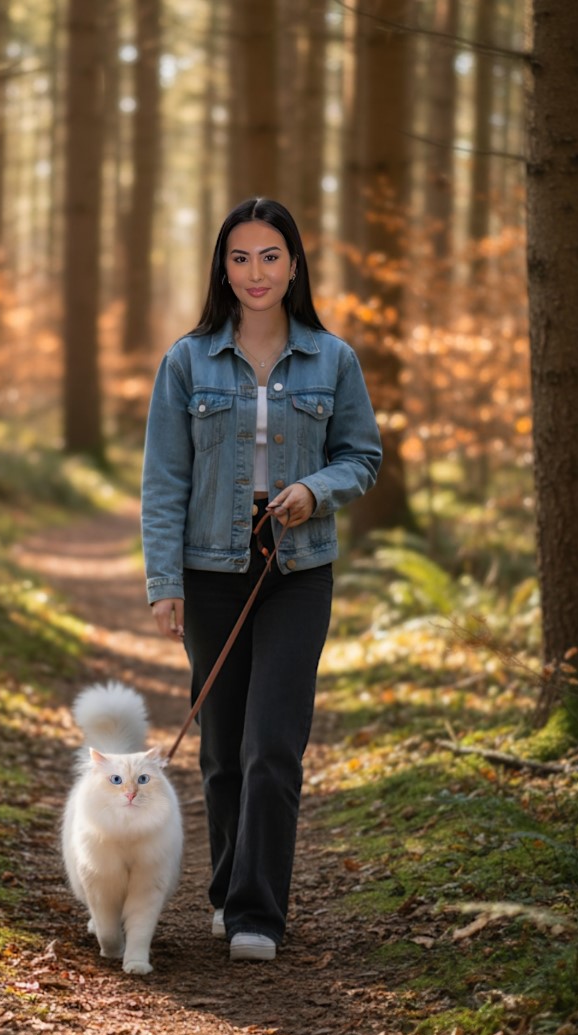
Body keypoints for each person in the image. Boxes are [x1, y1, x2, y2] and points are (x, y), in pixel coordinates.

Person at [141, 197, 382, 962]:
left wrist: (316, 488)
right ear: (222, 266)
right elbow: (164, 480)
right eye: (240, 257)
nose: (255, 272)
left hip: (297, 563)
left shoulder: (332, 359)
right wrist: (162, 580)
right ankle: (225, 887)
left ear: (294, 264)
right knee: (221, 746)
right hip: (211, 564)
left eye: (270, 256)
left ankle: (256, 913)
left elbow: (363, 455)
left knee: (272, 742)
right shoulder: (187, 361)